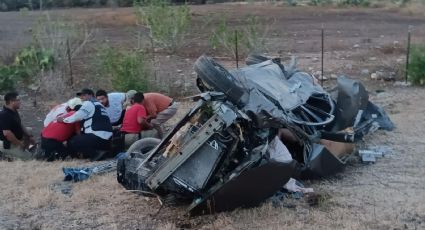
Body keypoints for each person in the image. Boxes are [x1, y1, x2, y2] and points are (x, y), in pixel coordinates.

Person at [58, 88, 113, 160]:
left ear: (90, 95)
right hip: (108, 141)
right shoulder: (101, 106)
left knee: (72, 141)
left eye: (83, 95)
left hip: (97, 138)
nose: (81, 97)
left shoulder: (88, 103)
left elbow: (77, 116)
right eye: (80, 96)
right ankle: (100, 152)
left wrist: (64, 120)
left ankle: (96, 154)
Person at [0, 92, 35, 160]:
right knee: (30, 158)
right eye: (18, 100)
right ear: (11, 102)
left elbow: (19, 124)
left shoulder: (13, 110)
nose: (20, 102)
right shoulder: (4, 115)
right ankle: (10, 156)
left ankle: (24, 150)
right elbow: (8, 135)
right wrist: (20, 144)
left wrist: (29, 136)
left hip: (15, 138)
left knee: (29, 130)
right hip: (7, 144)